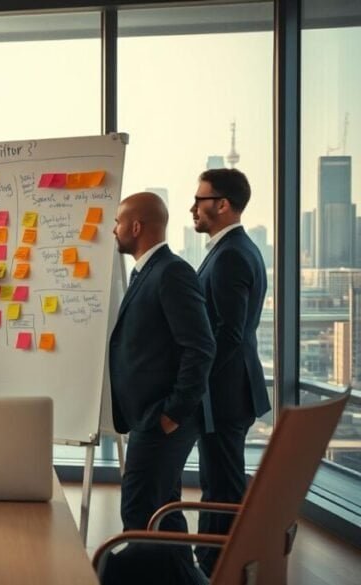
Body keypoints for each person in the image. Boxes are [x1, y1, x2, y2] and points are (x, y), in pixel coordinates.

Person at [102, 192, 215, 584]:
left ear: (136, 227)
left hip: (162, 420)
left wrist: (172, 413)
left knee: (139, 513)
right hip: (150, 417)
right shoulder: (147, 272)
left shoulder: (171, 272)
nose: (113, 230)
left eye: (118, 222)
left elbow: (200, 347)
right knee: (163, 514)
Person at [189, 168, 271, 576]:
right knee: (221, 481)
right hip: (232, 389)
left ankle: (216, 568)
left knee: (221, 486)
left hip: (224, 392)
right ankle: (221, 564)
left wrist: (196, 378)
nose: (193, 208)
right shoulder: (238, 248)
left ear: (222, 204)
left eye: (199, 200)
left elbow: (229, 332)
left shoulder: (231, 255)